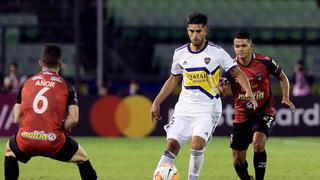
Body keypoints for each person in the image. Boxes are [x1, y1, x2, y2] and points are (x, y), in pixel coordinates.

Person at [151, 13, 257, 180]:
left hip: (207, 108)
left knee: (197, 143)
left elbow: (238, 73)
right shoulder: (180, 53)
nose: (195, 35)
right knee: (171, 145)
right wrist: (156, 102)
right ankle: (158, 176)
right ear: (187, 31)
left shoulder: (217, 52)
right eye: (192, 31)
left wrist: (249, 93)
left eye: (199, 31)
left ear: (206, 30)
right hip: (184, 107)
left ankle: (193, 178)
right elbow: (173, 79)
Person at [4, 44, 97, 180]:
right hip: (54, 141)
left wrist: (30, 129)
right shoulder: (67, 86)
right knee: (82, 158)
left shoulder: (27, 83)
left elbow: (16, 117)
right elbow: (74, 119)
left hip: (27, 139)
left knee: (9, 150)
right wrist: (63, 128)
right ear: (60, 64)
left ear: (40, 63)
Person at [219, 31, 295, 180]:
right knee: (238, 160)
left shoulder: (264, 62)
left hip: (264, 112)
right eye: (237, 46)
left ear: (251, 46)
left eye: (243, 45)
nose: (240, 49)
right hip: (242, 116)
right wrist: (221, 89)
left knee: (258, 144)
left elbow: (283, 77)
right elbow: (222, 86)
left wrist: (285, 96)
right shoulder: (230, 67)